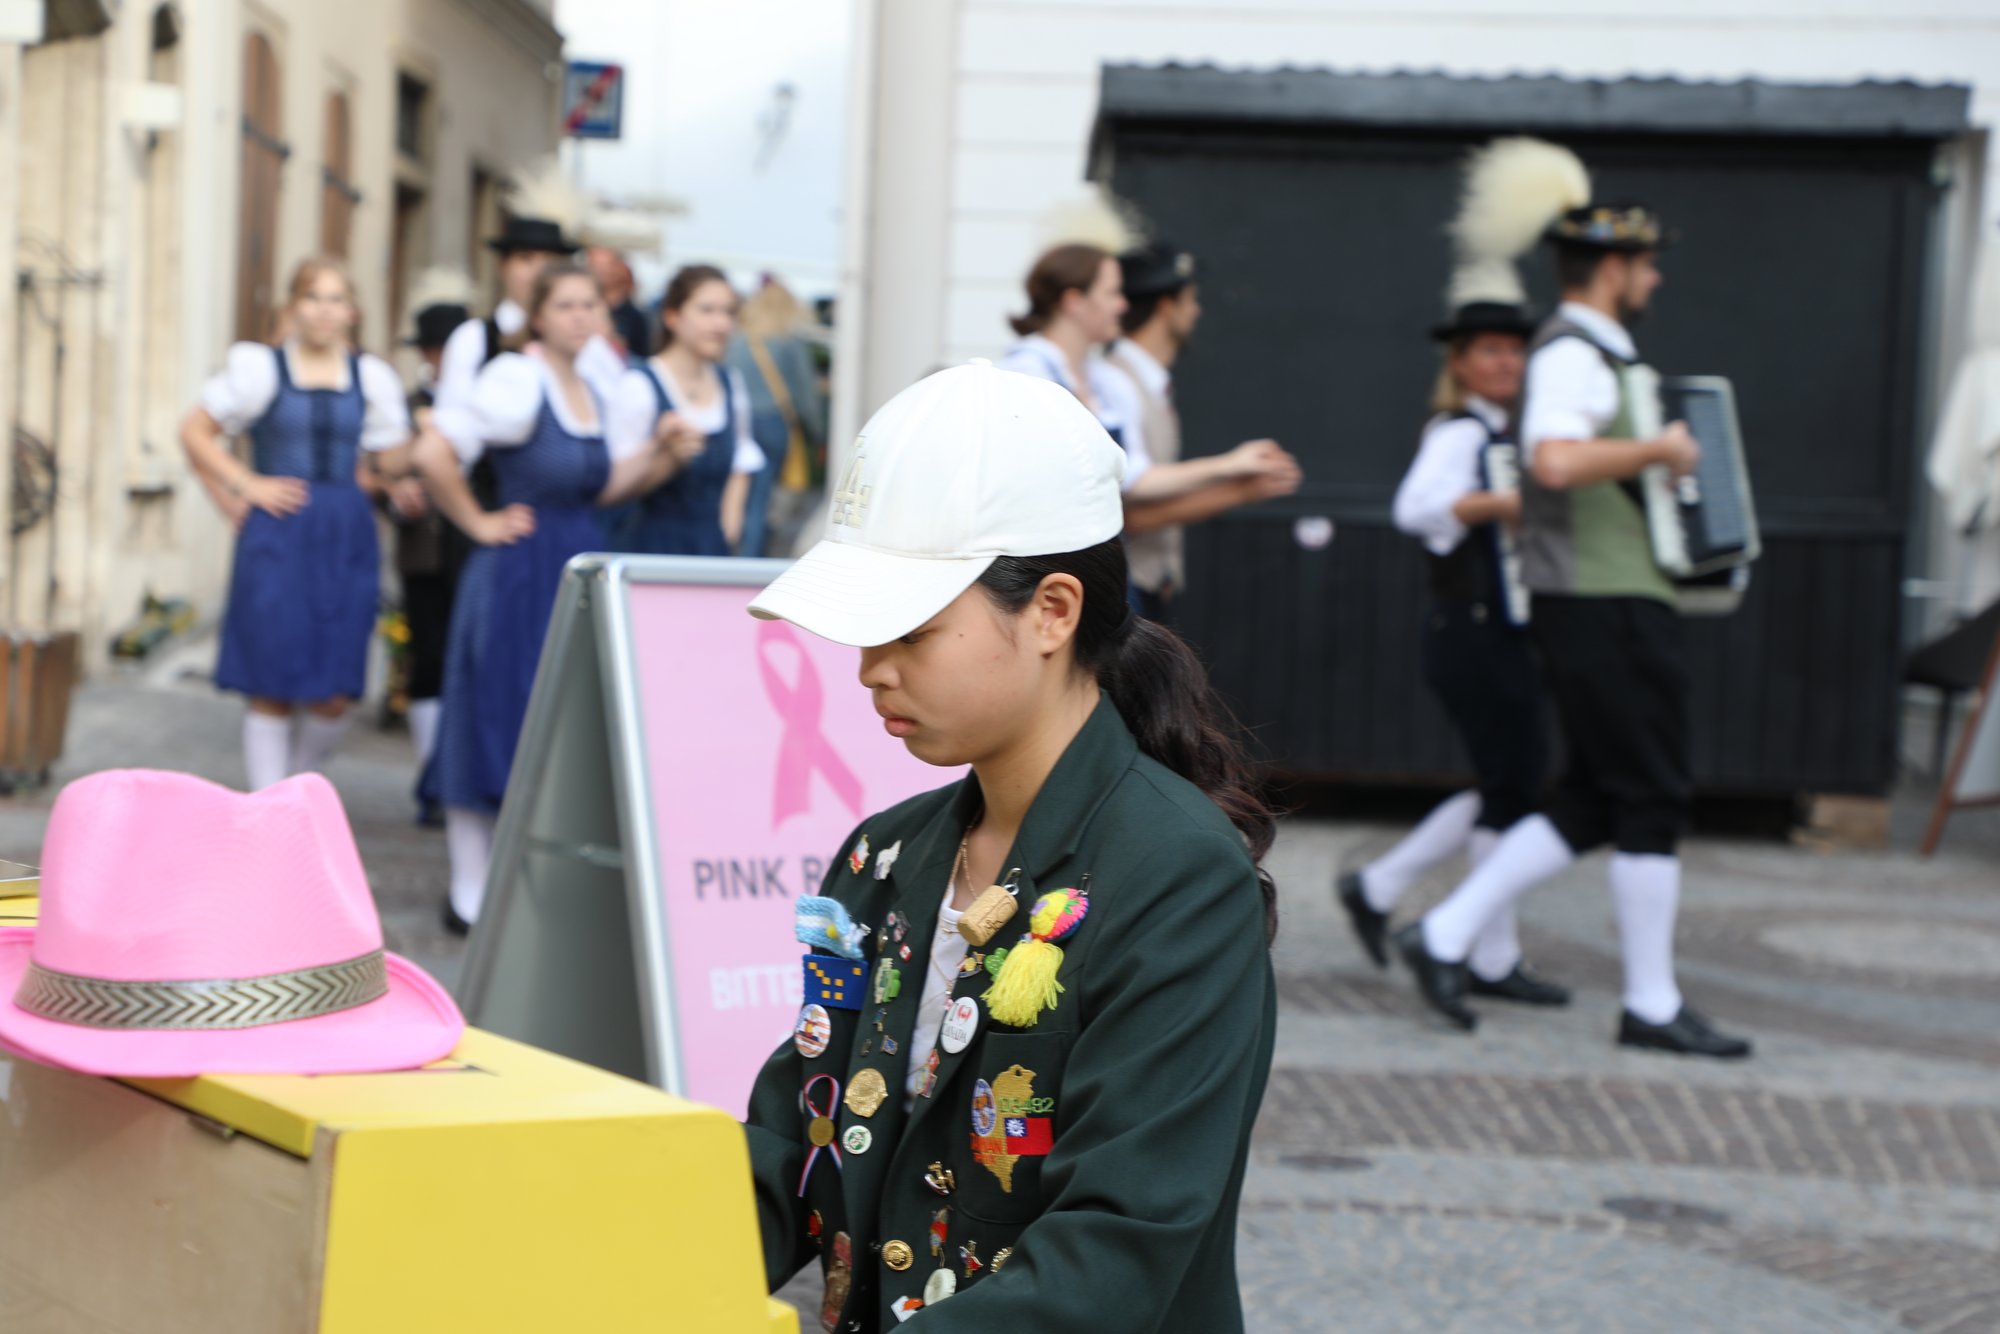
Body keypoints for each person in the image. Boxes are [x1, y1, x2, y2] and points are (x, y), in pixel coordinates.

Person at [740, 362, 1278, 1332]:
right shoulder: (884, 858)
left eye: (911, 629)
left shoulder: (1177, 875)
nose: (870, 669)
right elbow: (796, 1151)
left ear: (1053, 610)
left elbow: (1113, 1245)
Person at [1397, 168, 1751, 1059]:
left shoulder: (1595, 355)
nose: (1656, 279)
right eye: (1645, 263)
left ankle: (1443, 935)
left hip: (1605, 594)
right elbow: (1553, 461)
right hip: (1601, 598)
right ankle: (1651, 1003)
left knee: (1594, 796)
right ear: (1611, 266)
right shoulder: (1572, 356)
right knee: (1653, 795)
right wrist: (1660, 449)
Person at [415, 263, 678, 934]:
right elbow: (435, 452)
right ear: (537, 315)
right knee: (494, 714)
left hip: (574, 567)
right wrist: (477, 521)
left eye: (589, 304)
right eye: (565, 305)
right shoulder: (516, 378)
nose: (580, 316)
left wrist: (661, 455)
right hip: (516, 572)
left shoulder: (589, 384)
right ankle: (468, 887)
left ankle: (520, 880)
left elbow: (599, 486)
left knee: (554, 720)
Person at [1336, 299, 1568, 1007]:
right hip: (1468, 629)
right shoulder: (1461, 432)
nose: (1505, 362)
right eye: (1489, 350)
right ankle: (1485, 953)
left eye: (1514, 350)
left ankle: (1386, 890)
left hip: (1502, 630)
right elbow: (1414, 508)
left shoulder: (1513, 432)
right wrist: (1500, 503)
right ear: (1460, 363)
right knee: (1513, 786)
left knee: (1514, 783)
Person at [179, 257, 412, 791]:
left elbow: (389, 457)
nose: (325, 310)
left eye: (335, 299)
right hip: (279, 531)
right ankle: (267, 806)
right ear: (292, 307)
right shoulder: (260, 369)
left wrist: (405, 461)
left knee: (335, 689)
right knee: (272, 677)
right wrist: (244, 484)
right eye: (313, 297)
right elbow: (193, 431)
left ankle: (296, 787)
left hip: (346, 532)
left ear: (352, 311)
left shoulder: (371, 377)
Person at [1000, 243, 1297, 608]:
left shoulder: (1105, 380)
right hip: (1043, 569)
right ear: (1074, 301)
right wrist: (1229, 468)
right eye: (1111, 293)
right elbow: (1130, 483)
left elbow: (1132, 474)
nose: (1122, 305)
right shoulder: (1025, 374)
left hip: (1098, 571)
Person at [1108, 242, 1303, 621]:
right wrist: (1232, 471)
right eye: (1190, 300)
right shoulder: (1116, 381)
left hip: (1146, 587)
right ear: (1166, 306)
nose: (1197, 311)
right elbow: (1128, 504)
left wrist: (1239, 489)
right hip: (1125, 591)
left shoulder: (1146, 382)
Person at [383, 272, 474, 824]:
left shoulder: (484, 404)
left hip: (471, 550)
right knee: (428, 659)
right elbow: (379, 471)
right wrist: (398, 494)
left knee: (462, 660)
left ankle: (453, 769)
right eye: (434, 350)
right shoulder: (406, 403)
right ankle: (430, 775)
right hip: (423, 552)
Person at [606, 264, 766, 556]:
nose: (721, 324)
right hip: (651, 550)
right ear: (673, 316)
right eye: (707, 310)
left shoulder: (730, 383)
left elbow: (742, 460)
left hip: (711, 549)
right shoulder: (639, 384)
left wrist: (730, 524)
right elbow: (613, 490)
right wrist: (666, 456)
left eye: (728, 312)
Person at [725, 277, 827, 558]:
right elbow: (804, 393)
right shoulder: (788, 342)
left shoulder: (736, 341)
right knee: (761, 500)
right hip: (772, 423)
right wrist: (816, 432)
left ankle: (731, 555)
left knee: (736, 495)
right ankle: (749, 561)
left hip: (736, 422)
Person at [587, 244, 652, 360]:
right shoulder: (584, 308)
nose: (602, 271)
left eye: (608, 265)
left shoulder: (635, 317)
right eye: (596, 265)